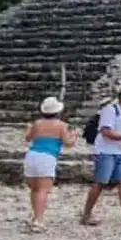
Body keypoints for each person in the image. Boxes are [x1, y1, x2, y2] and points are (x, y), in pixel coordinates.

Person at [83, 87, 121, 226]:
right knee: (100, 182)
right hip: (106, 151)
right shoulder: (110, 110)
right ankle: (86, 214)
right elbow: (106, 132)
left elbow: (120, 132)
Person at [24, 97, 74, 232]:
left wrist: (28, 129)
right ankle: (38, 220)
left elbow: (28, 138)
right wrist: (74, 136)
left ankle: (35, 217)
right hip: (47, 157)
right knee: (43, 190)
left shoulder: (37, 123)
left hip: (32, 155)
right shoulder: (61, 125)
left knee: (34, 189)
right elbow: (68, 143)